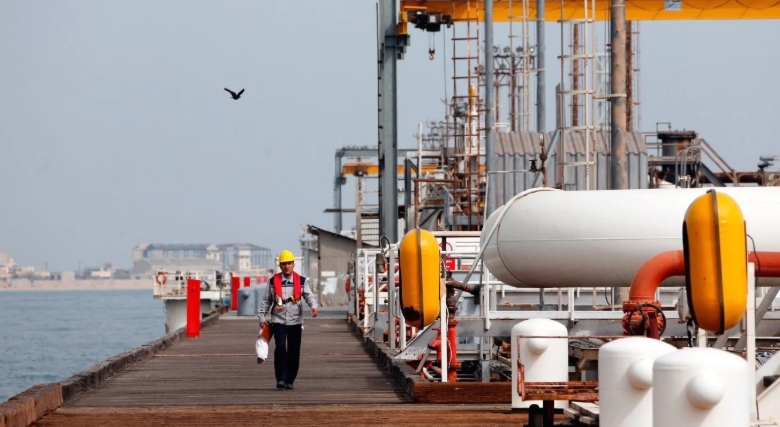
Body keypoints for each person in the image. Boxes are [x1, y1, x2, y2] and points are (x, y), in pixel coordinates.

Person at [258, 250, 318, 390]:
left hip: (295, 321)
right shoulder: (272, 282)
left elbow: (309, 296)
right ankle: (281, 379)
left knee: (294, 351)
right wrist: (262, 316)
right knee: (280, 349)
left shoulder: (301, 281)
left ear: (293, 265)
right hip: (278, 321)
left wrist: (313, 306)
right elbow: (266, 301)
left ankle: (290, 380)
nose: (287, 266)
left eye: (289, 263)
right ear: (280, 266)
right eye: (284, 264)